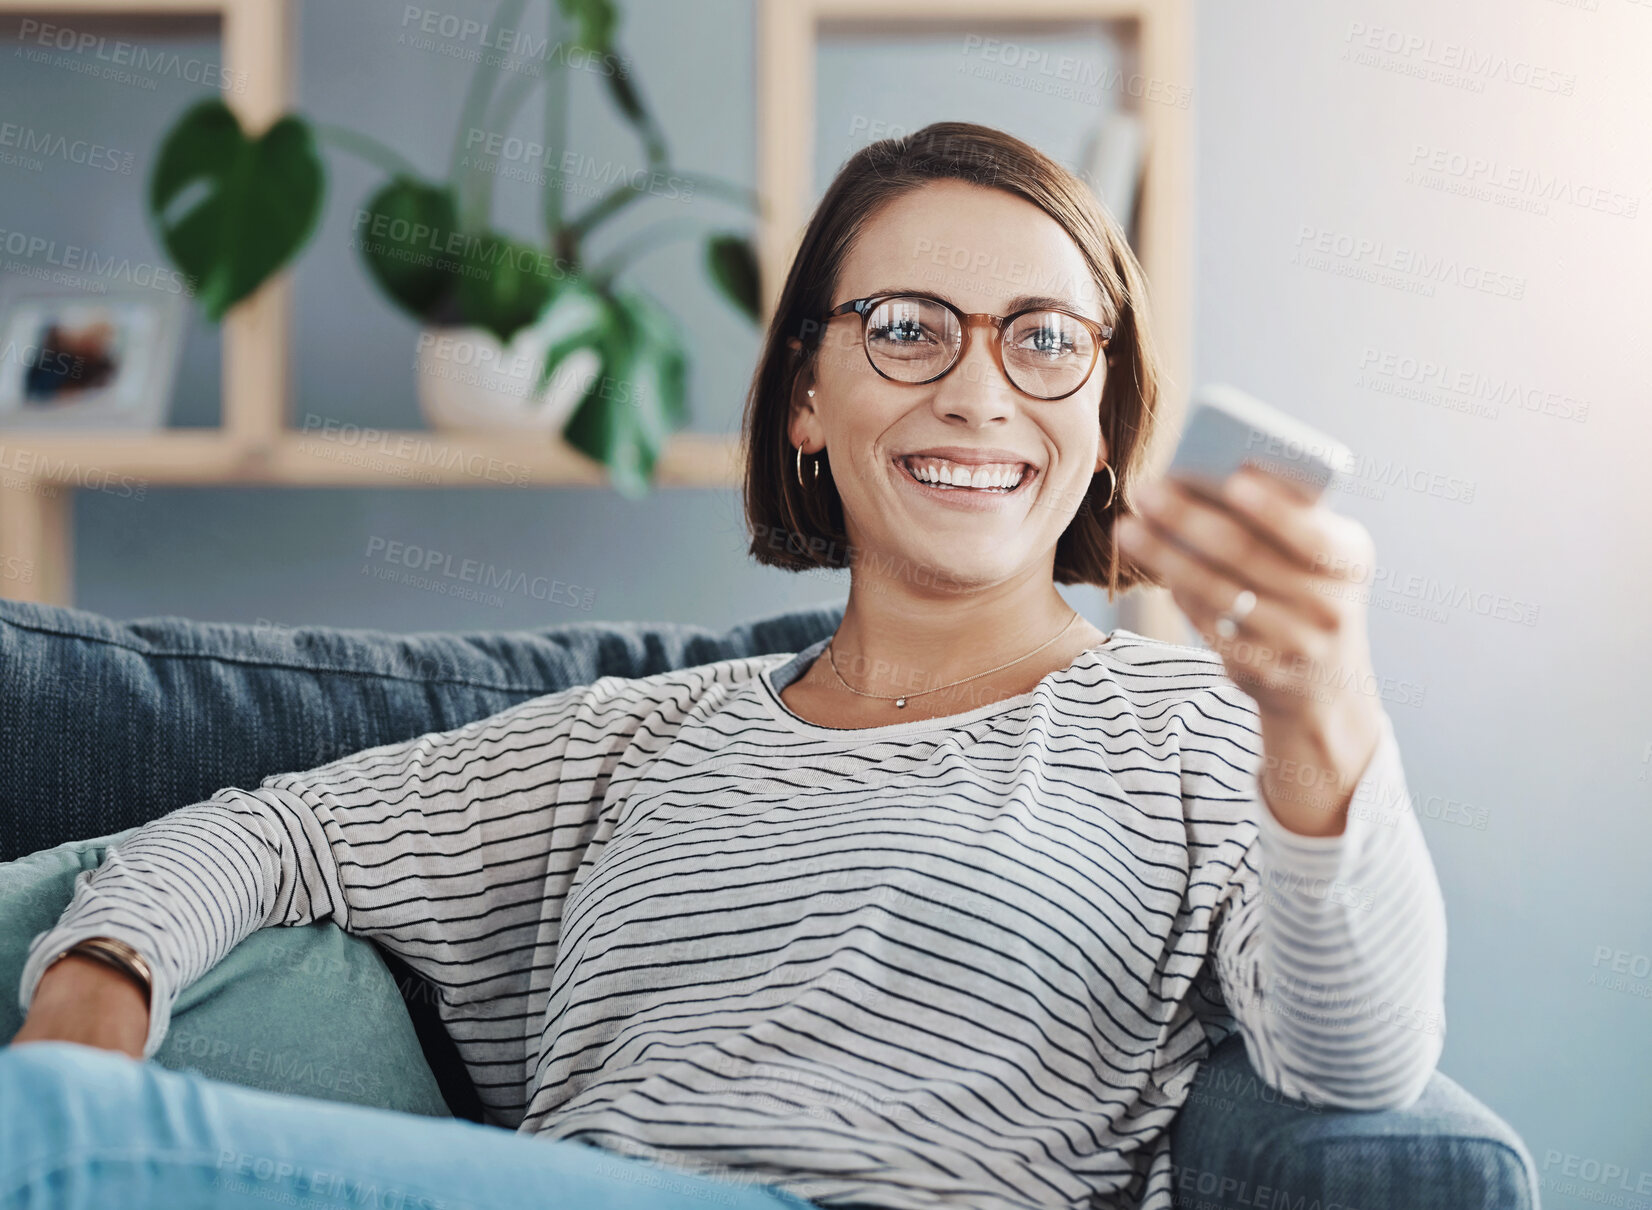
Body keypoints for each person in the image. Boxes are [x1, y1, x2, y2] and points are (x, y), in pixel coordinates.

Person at [1, 121, 1446, 1210]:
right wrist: (94, 989)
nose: (977, 386)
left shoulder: (1188, 726)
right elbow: (276, 831)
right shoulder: (635, 740)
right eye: (906, 327)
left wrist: (1323, 711)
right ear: (809, 395)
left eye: (1045, 340)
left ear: (1104, 417)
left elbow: (1357, 1071)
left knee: (42, 1144)